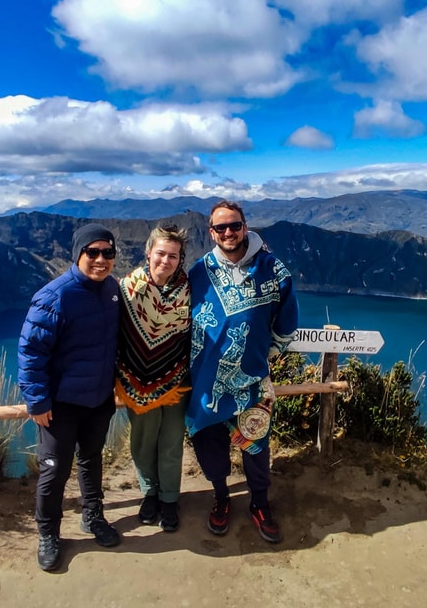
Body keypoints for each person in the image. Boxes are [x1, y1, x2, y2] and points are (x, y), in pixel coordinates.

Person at [186, 201, 299, 544]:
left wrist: (269, 355)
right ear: (211, 233)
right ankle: (221, 498)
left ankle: (260, 504)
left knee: (256, 446)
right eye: (220, 228)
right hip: (207, 382)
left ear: (245, 226)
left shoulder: (273, 268)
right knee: (211, 444)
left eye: (234, 225)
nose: (228, 233)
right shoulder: (198, 272)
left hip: (252, 380)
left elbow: (287, 320)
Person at [16, 223, 123, 572]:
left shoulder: (112, 291)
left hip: (98, 400)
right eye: (92, 252)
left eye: (108, 252)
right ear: (77, 254)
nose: (100, 259)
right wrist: (38, 402)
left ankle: (93, 516)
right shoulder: (55, 295)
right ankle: (48, 534)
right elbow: (31, 352)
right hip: (61, 406)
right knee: (54, 470)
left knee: (92, 459)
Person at [115, 224, 192, 532]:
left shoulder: (189, 290)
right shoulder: (126, 289)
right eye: (160, 253)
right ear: (148, 253)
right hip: (134, 378)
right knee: (144, 441)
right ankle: (150, 493)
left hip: (177, 378)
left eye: (173, 255)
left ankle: (170, 499)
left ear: (180, 258)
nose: (166, 261)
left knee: (172, 441)